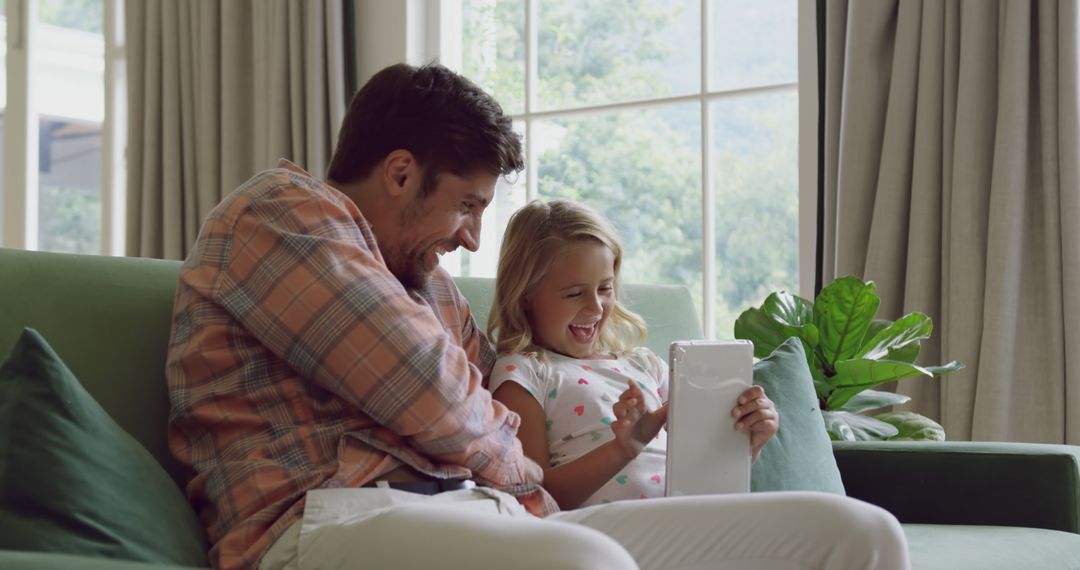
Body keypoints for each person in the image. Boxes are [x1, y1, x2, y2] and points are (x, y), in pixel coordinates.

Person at [166, 62, 908, 570]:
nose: (471, 237)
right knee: (587, 561)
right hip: (326, 525)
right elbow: (433, 393)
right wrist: (523, 470)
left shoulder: (425, 280)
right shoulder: (281, 215)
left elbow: (485, 400)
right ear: (400, 173)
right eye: (466, 204)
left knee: (855, 535)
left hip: (495, 512)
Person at [485, 199, 912, 566]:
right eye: (574, 293)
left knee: (869, 530)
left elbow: (706, 468)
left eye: (605, 288)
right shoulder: (524, 372)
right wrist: (623, 448)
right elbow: (533, 496)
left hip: (686, 516)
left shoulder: (645, 365)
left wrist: (752, 438)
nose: (596, 308)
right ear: (526, 294)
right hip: (598, 531)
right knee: (863, 528)